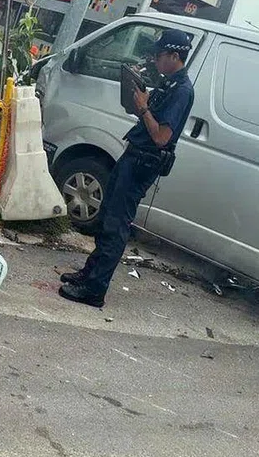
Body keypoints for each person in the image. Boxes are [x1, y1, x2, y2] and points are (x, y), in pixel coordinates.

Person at [58, 28, 196, 308]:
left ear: (174, 55)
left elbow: (161, 137)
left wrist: (144, 108)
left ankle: (95, 290)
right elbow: (146, 118)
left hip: (143, 163)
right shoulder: (169, 83)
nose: (155, 60)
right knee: (107, 214)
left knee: (116, 225)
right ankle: (89, 274)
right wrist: (135, 95)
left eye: (159, 55)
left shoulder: (182, 91)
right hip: (133, 156)